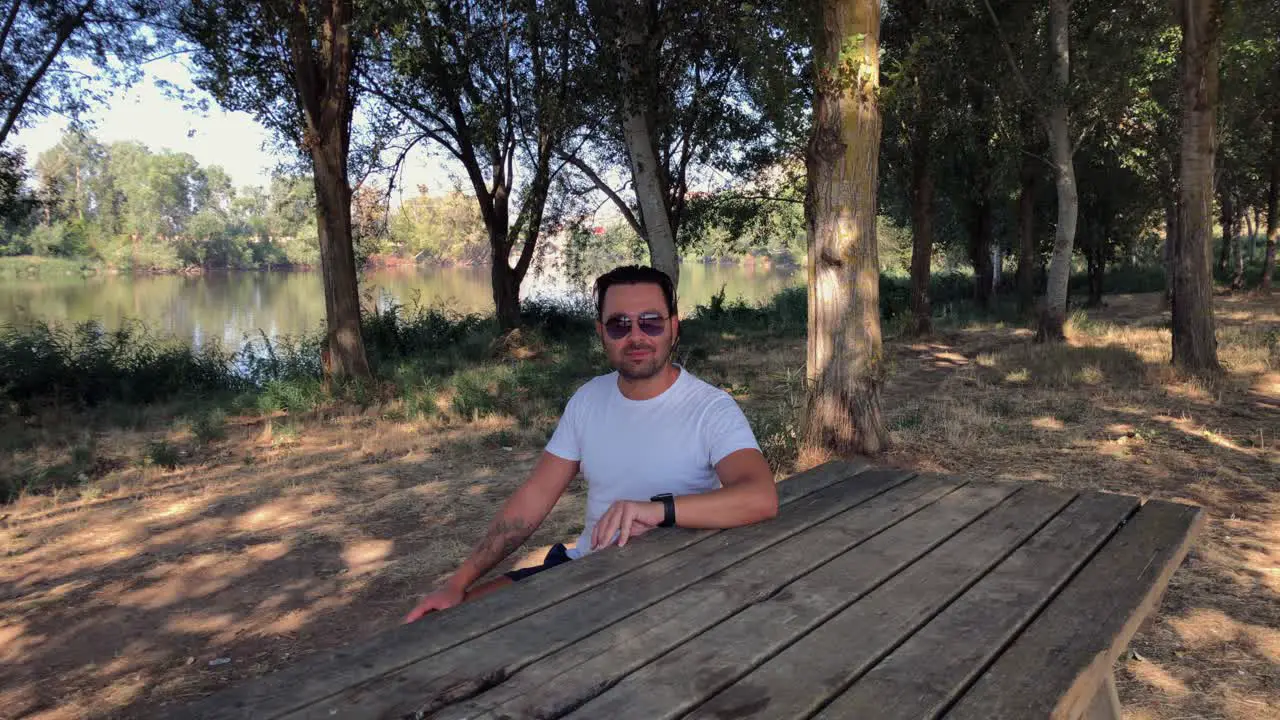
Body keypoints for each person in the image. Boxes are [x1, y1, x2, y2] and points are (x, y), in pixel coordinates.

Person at [404, 265, 778, 623]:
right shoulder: (588, 400)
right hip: (585, 570)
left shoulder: (711, 408)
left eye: (650, 322)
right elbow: (534, 498)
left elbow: (760, 497)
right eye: (619, 325)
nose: (636, 337)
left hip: (670, 582)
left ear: (673, 328)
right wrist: (459, 582)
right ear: (601, 332)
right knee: (447, 621)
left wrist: (657, 510)